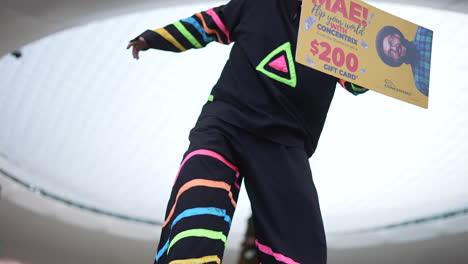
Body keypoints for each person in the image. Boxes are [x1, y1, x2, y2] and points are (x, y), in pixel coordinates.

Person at [127, 0, 367, 263]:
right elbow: (207, 24)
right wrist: (153, 38)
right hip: (226, 122)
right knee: (197, 200)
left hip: (284, 140)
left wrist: (396, 67)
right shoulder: (257, 4)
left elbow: (359, 81)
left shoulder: (340, 25)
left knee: (298, 235)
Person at [376, 25, 433, 96]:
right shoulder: (421, 83)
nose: (394, 49)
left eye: (391, 41)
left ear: (397, 34)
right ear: (395, 61)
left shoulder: (424, 31)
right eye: (390, 52)